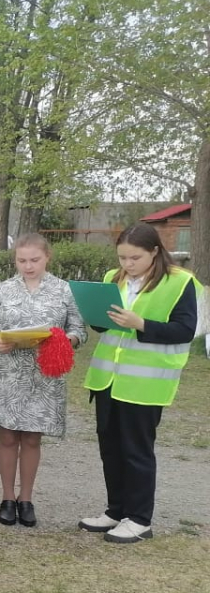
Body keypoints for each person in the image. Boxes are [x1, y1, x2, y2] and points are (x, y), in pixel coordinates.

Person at [79, 222, 201, 544]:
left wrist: (141, 324)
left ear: (155, 252)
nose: (127, 264)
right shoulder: (112, 277)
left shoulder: (180, 282)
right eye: (122, 257)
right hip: (107, 379)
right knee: (110, 448)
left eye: (135, 258)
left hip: (146, 384)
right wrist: (93, 312)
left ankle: (139, 519)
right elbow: (104, 326)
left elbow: (185, 331)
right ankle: (116, 511)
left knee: (136, 451)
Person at [0, 234, 86, 526]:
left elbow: (78, 329)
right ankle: (7, 497)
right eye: (21, 260)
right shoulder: (1, 290)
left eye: (34, 260)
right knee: (8, 436)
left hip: (43, 375)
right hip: (8, 373)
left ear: (47, 257)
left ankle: (26, 499)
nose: (28, 266)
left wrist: (64, 341)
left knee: (33, 437)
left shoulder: (64, 290)